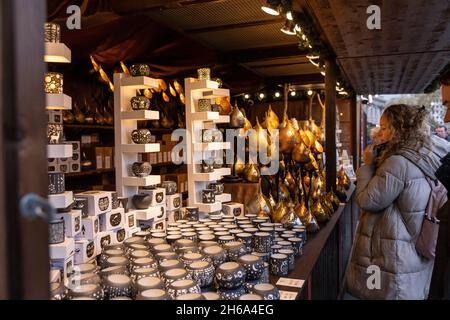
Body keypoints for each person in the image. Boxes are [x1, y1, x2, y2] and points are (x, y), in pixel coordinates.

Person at [346, 104, 450, 300]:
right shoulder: (424, 152)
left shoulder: (397, 162)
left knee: (377, 291)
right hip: (412, 250)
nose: (378, 132)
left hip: (389, 256)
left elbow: (368, 200)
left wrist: (367, 166)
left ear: (398, 129)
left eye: (384, 127)